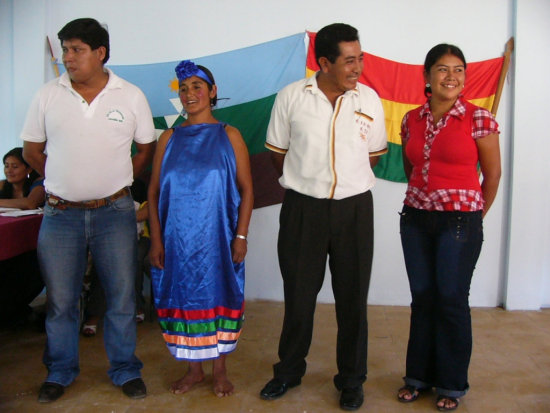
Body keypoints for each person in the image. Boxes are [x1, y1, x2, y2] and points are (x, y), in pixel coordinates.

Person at [20, 18, 156, 403]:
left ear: (100, 53)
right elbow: (32, 151)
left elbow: (145, 148)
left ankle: (125, 369)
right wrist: (61, 179)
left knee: (122, 296)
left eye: (76, 50)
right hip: (60, 216)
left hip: (114, 213)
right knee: (61, 300)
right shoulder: (48, 95)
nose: (67, 58)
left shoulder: (129, 96)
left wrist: (119, 178)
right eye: (64, 50)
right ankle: (60, 371)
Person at [259, 23, 388, 411]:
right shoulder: (292, 97)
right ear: (325, 62)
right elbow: (278, 154)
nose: (358, 67)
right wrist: (309, 181)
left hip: (354, 211)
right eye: (350, 60)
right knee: (299, 297)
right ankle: (288, 371)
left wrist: (343, 181)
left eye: (361, 58)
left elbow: (375, 154)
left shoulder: (370, 100)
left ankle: (351, 380)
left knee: (353, 300)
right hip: (303, 209)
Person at [396, 44, 501, 411]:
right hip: (415, 219)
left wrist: (472, 215)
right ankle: (417, 377)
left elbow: (493, 174)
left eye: (458, 70)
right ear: (426, 76)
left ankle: (451, 384)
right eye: (442, 69)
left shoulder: (479, 119)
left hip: (460, 222)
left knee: (452, 301)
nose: (451, 77)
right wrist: (427, 199)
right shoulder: (411, 119)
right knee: (423, 299)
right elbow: (412, 169)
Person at [148, 60, 253, 397]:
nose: (190, 94)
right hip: (176, 241)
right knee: (183, 299)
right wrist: (156, 240)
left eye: (196, 86)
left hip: (218, 240)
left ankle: (219, 370)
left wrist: (240, 235)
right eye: (183, 88)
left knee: (219, 296)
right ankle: (193, 370)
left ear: (212, 91)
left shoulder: (229, 135)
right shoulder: (169, 138)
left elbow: (247, 190)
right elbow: (152, 192)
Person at [0, 147, 45, 329]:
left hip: (34, 247)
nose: (9, 170)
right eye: (6, 166)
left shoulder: (39, 184)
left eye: (15, 166)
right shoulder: (3, 186)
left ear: (28, 169)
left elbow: (30, 203)